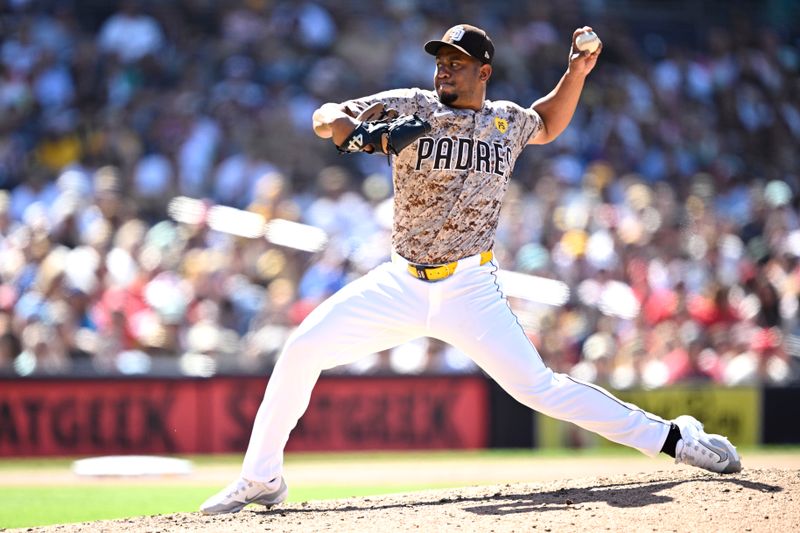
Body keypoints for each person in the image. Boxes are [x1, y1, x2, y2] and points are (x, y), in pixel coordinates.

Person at [200, 24, 741, 515]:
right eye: (440, 61)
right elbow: (325, 115)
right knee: (301, 349)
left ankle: (674, 438)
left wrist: (575, 71)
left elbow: (548, 121)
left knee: (541, 389)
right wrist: (355, 132)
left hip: (469, 288)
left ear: (483, 71)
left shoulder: (504, 122)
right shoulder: (412, 105)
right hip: (400, 283)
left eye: (456, 63)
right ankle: (261, 478)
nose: (443, 70)